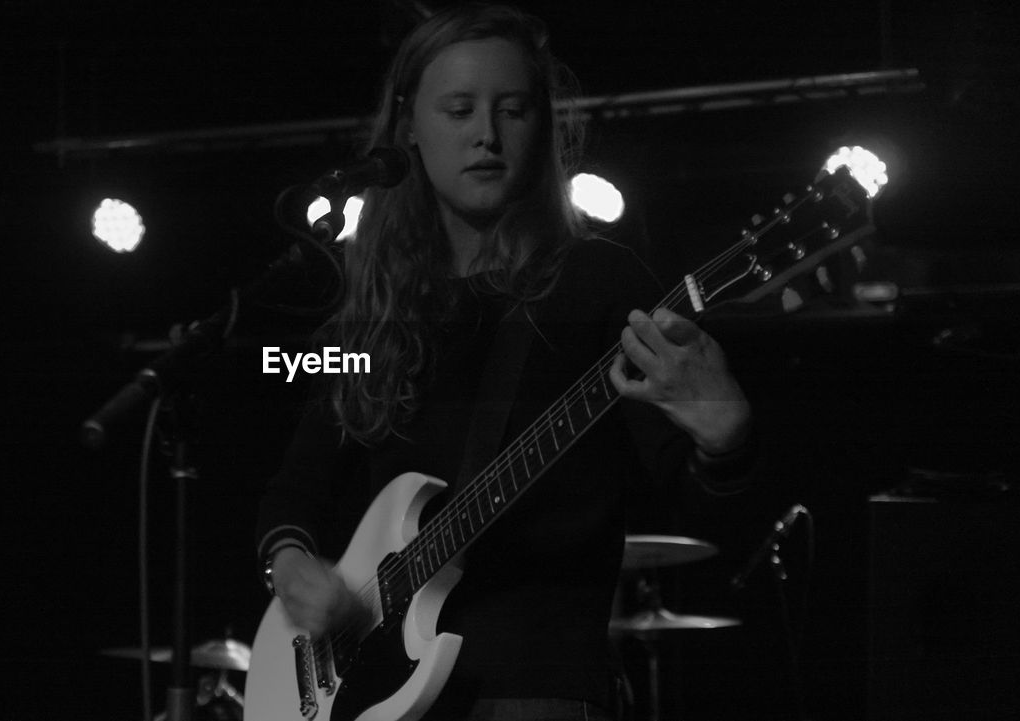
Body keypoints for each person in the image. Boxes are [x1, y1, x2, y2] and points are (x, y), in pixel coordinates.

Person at [254, 4, 755, 720]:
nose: (486, 135)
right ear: (408, 131)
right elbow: (292, 490)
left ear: (543, 126)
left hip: (535, 686)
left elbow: (696, 500)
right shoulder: (372, 311)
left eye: (513, 109)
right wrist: (292, 564)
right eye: (459, 110)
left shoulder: (600, 284)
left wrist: (726, 441)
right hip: (371, 692)